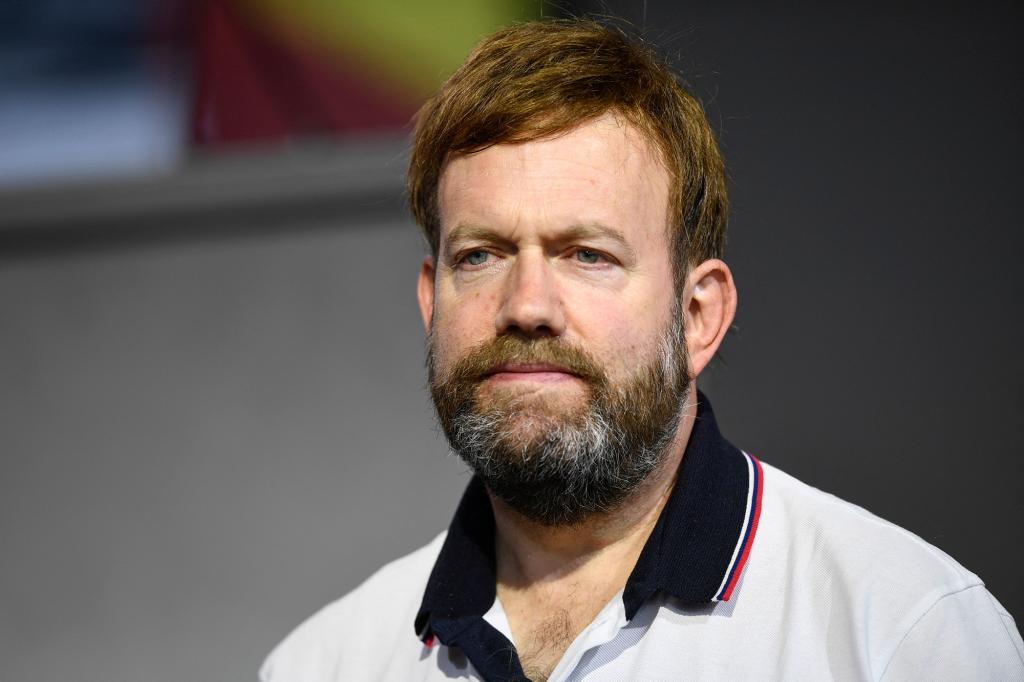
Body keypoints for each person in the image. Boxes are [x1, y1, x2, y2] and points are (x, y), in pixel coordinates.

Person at [260, 19, 1024, 682]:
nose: (526, 306)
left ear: (697, 317)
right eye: (482, 255)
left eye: (587, 254)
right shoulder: (323, 665)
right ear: (433, 302)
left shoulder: (901, 638)